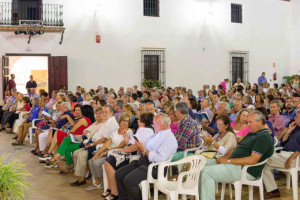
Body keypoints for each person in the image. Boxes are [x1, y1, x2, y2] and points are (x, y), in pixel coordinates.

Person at [200, 110, 274, 200]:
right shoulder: (252, 133)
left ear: (260, 122)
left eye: (250, 122)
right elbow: (237, 148)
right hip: (235, 164)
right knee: (200, 165)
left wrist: (228, 161)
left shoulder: (263, 137)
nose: (248, 124)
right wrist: (225, 157)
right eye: (248, 122)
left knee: (207, 172)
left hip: (245, 170)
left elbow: (252, 160)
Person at [115, 113, 178, 200]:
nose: (153, 126)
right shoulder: (156, 134)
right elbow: (145, 151)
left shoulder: (169, 139)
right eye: (153, 124)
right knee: (118, 174)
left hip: (156, 167)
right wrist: (140, 149)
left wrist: (144, 150)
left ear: (164, 124)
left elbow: (160, 159)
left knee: (129, 181)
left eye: (155, 124)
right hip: (144, 161)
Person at [101, 112, 154, 196]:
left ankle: (114, 191)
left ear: (143, 122)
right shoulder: (143, 130)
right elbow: (130, 142)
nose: (137, 123)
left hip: (137, 156)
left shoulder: (145, 131)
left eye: (139, 121)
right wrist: (125, 136)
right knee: (108, 161)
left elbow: (134, 147)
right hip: (134, 153)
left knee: (109, 161)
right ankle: (111, 188)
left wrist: (122, 150)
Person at [263, 109, 300, 199]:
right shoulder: (296, 128)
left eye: (297, 117)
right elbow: (283, 142)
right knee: (264, 165)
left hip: (294, 157)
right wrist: (289, 131)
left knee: (263, 158)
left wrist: (290, 159)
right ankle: (274, 190)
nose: (294, 119)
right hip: (284, 154)